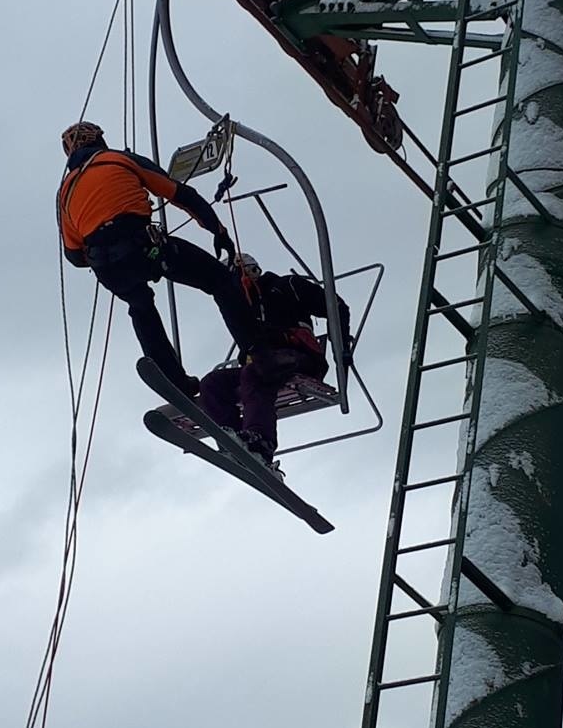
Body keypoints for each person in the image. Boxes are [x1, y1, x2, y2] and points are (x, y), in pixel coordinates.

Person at [58, 121, 258, 396]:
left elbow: (73, 255)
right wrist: (218, 231)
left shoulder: (65, 192)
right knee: (220, 280)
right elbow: (181, 194)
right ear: (100, 141)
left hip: (105, 265)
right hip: (142, 245)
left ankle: (174, 382)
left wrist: (106, 254)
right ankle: (255, 351)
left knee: (141, 307)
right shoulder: (119, 159)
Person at [200, 253, 352, 468]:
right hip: (261, 366)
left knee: (256, 371)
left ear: (252, 271)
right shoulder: (240, 307)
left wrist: (342, 349)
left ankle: (261, 442)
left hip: (299, 358)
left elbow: (337, 307)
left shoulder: (287, 286)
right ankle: (233, 441)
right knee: (212, 383)